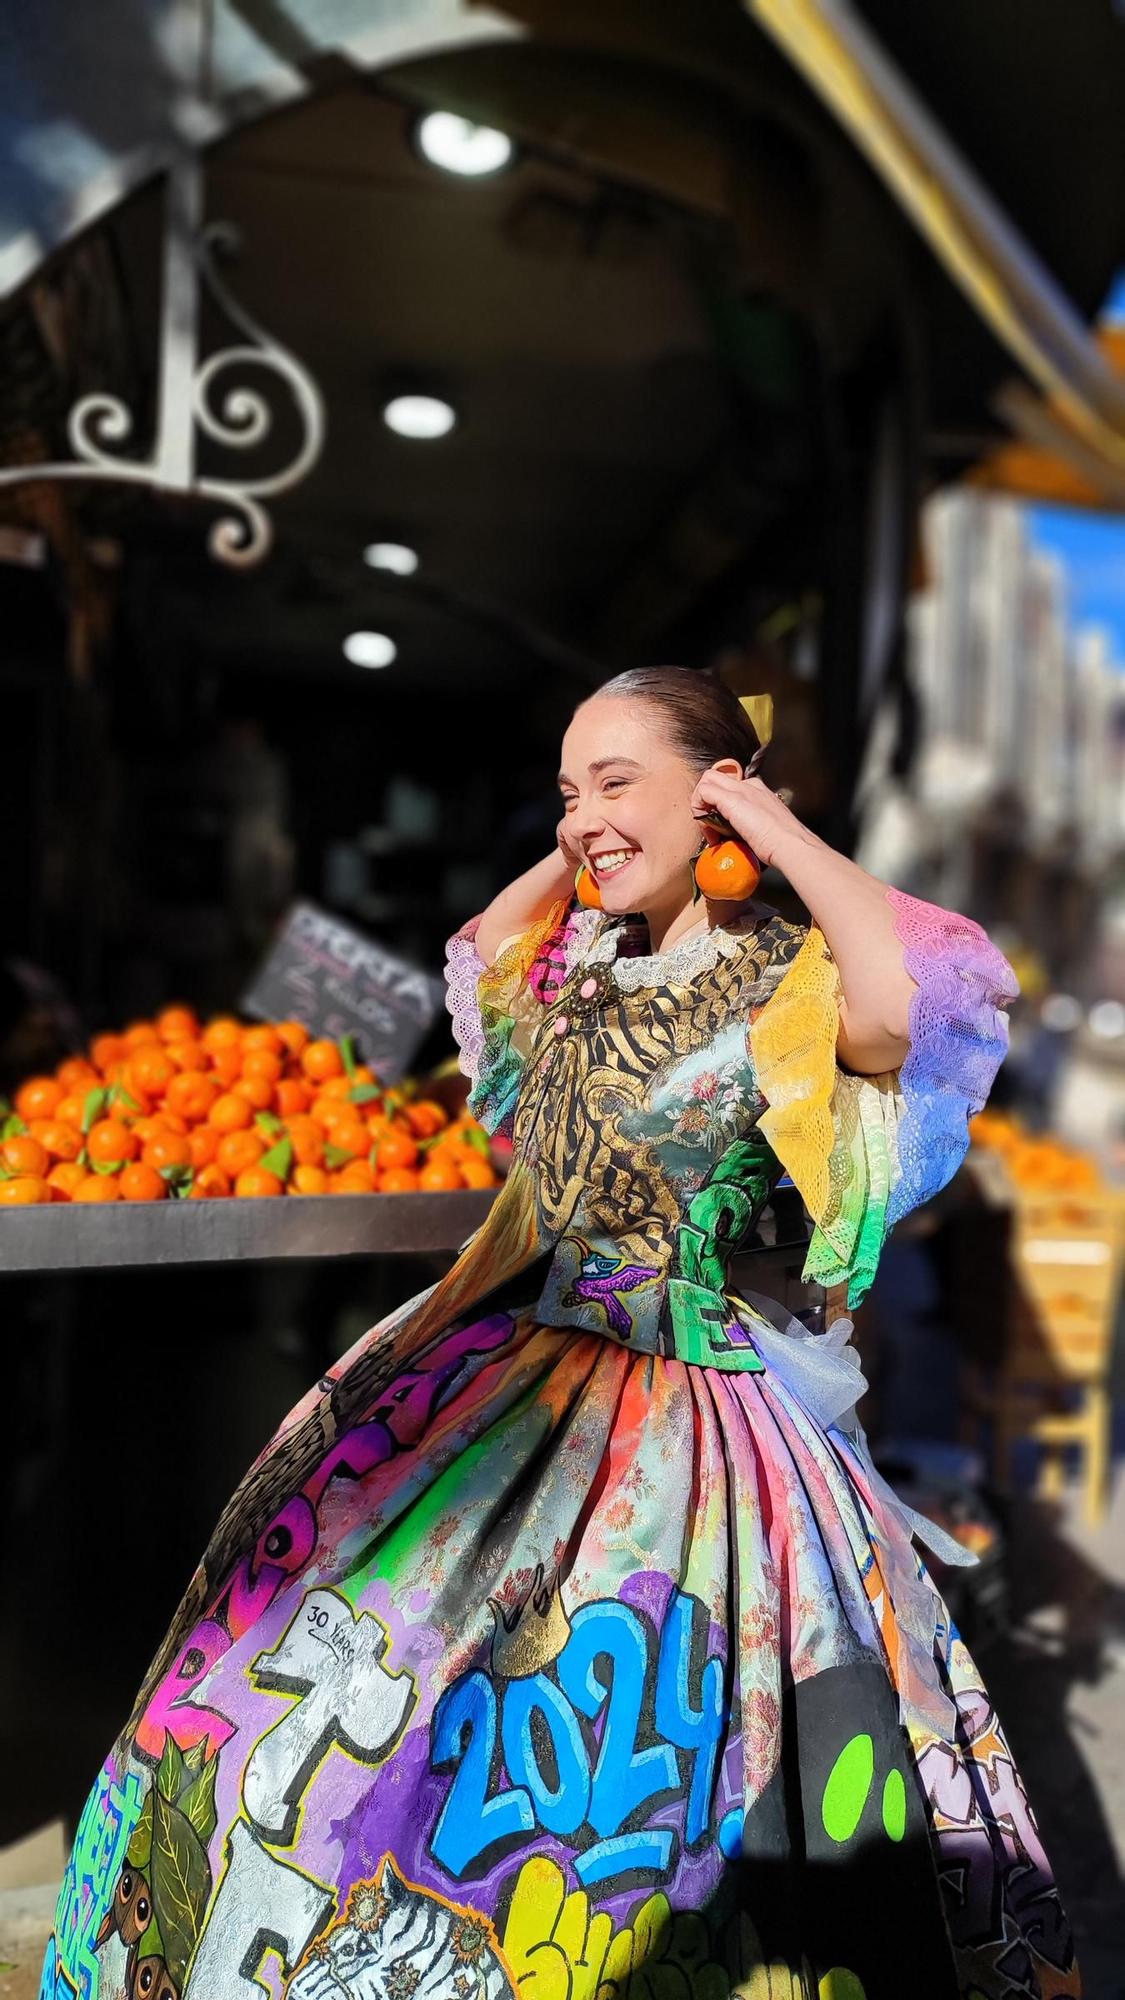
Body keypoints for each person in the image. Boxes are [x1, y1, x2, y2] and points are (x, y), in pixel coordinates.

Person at [43, 668, 1077, 2000]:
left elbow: (902, 1000)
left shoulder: (786, 979)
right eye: (564, 787)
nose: (582, 816)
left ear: (720, 793)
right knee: (305, 1735)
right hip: (495, 1371)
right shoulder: (581, 972)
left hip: (692, 1439)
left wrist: (759, 826)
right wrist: (595, 835)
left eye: (612, 780)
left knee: (625, 1786)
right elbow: (474, 950)